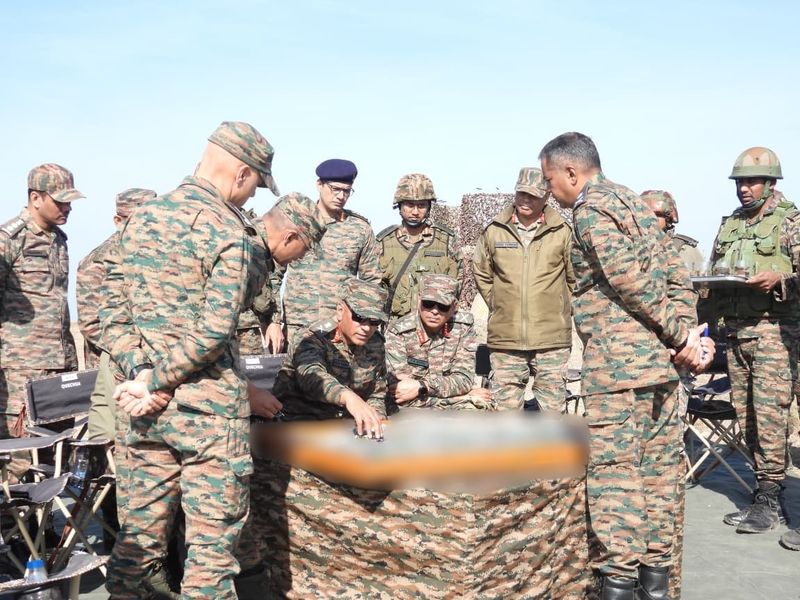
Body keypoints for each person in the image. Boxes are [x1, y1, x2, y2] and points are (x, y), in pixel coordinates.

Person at [102, 121, 322, 599]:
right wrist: (156, 380)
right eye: (255, 185)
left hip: (146, 414)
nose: (251, 196)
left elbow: (111, 312)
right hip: (208, 417)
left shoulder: (142, 218)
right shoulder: (227, 232)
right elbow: (212, 332)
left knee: (137, 549)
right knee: (210, 558)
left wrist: (142, 374)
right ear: (242, 173)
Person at [540, 132, 712, 600]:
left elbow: (629, 281)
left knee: (616, 475)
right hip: (661, 368)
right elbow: (676, 276)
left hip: (618, 369)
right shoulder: (636, 205)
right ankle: (655, 583)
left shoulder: (591, 210)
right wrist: (688, 337)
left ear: (571, 172)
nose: (549, 190)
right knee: (658, 474)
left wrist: (680, 336)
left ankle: (618, 582)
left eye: (550, 180)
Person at [705, 147, 800, 537]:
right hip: (735, 334)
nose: (744, 188)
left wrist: (780, 280)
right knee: (747, 418)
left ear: (771, 183)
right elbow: (713, 275)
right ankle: (763, 496)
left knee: (770, 417)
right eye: (740, 182)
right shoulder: (731, 225)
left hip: (775, 334)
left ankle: (771, 498)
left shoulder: (790, 223)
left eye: (752, 181)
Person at [0, 163, 82, 479]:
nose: (67, 208)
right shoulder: (9, 240)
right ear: (35, 198)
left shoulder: (59, 240)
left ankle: (46, 514)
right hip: (21, 372)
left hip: (59, 368)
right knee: (19, 461)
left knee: (55, 459)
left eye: (70, 201)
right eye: (60, 201)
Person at [472, 167, 574, 412]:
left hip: (551, 339)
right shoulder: (494, 231)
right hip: (506, 338)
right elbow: (482, 272)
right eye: (522, 194)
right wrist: (500, 303)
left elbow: (575, 278)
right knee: (504, 415)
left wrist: (560, 307)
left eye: (533, 196)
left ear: (547, 196)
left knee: (552, 414)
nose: (526, 200)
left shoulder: (562, 232)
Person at [282, 159, 381, 349]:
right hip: (297, 324)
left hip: (339, 327)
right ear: (319, 185)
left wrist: (362, 323)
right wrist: (272, 321)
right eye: (335, 189)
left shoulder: (360, 229)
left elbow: (371, 282)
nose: (341, 196)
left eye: (347, 191)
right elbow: (274, 273)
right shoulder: (297, 222)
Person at [275, 277, 390, 430]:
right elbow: (311, 375)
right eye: (360, 318)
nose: (367, 328)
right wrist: (347, 397)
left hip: (349, 426)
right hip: (301, 422)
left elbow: (376, 393)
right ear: (340, 311)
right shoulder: (311, 337)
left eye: (375, 322)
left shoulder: (375, 343)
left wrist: (374, 419)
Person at [385, 273, 492, 410]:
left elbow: (464, 380)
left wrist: (422, 387)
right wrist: (462, 397)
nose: (434, 311)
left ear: (454, 307)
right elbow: (401, 393)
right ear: (419, 301)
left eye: (442, 306)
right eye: (428, 304)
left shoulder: (463, 327)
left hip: (442, 407)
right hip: (411, 411)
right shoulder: (399, 331)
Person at [377, 173, 462, 319]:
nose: (415, 212)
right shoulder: (384, 242)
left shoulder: (446, 241)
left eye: (421, 205)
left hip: (435, 323)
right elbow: (374, 287)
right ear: (399, 206)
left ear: (429, 207)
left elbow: (457, 283)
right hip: (395, 325)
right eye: (410, 205)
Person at [235, 207, 286, 355]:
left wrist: (274, 321)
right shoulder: (205, 215)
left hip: (248, 329)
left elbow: (272, 276)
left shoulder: (253, 225)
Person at [641, 190, 704, 273]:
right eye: (644, 215)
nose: (650, 219)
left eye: (656, 215)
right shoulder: (631, 246)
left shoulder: (683, 248)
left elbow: (697, 278)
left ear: (668, 218)